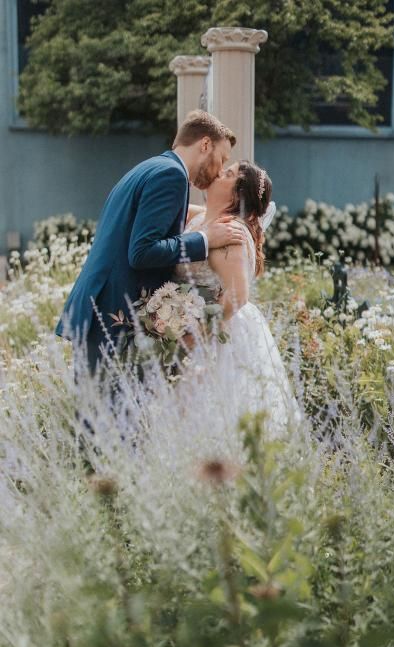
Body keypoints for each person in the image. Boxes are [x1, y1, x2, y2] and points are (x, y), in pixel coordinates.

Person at [55, 110, 246, 373]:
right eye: (222, 159)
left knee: (97, 410)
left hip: (100, 307)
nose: (219, 171)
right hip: (114, 314)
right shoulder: (172, 177)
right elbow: (142, 251)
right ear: (205, 144)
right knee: (113, 411)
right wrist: (204, 239)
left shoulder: (152, 167)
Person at [173, 160, 300, 437]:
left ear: (235, 196)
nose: (219, 172)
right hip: (193, 320)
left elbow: (238, 295)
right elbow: (178, 213)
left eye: (228, 174)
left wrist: (199, 335)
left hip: (218, 336)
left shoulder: (231, 232)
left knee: (209, 419)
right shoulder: (205, 216)